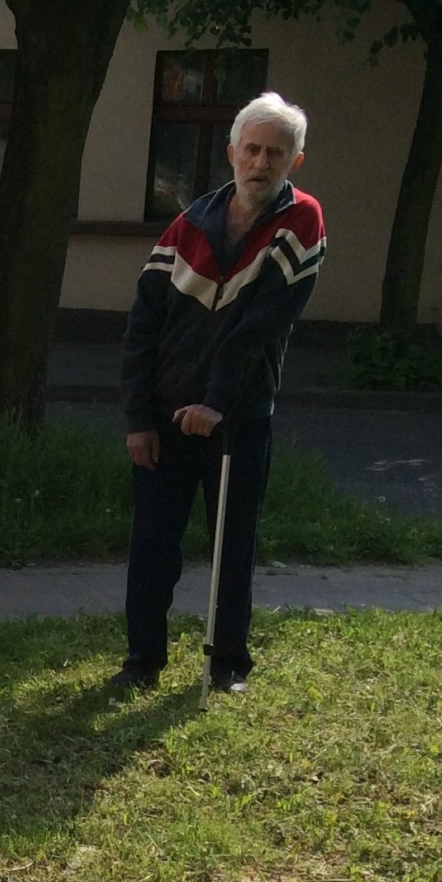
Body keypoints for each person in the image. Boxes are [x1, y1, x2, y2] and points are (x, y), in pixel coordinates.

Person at [114, 91, 326, 694]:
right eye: (251, 149)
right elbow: (142, 328)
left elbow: (258, 327)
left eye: (276, 153)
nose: (261, 163)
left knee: (233, 546)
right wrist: (138, 418)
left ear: (294, 161)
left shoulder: (301, 221)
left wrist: (217, 401)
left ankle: (228, 663)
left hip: (237, 419)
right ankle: (142, 662)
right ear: (232, 152)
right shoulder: (187, 225)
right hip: (164, 415)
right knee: (152, 544)